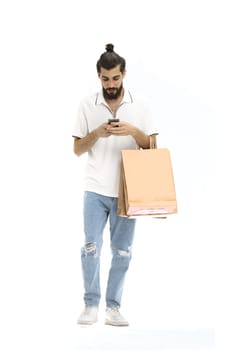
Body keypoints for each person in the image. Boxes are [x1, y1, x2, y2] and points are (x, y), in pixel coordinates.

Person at [72, 43, 157, 326]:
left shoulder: (140, 104)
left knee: (122, 251)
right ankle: (90, 303)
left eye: (116, 78)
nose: (111, 85)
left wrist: (132, 130)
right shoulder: (87, 104)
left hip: (127, 189)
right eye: (106, 79)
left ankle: (113, 307)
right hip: (95, 186)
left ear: (124, 74)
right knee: (90, 246)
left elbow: (152, 146)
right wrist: (97, 133)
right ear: (99, 76)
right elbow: (77, 149)